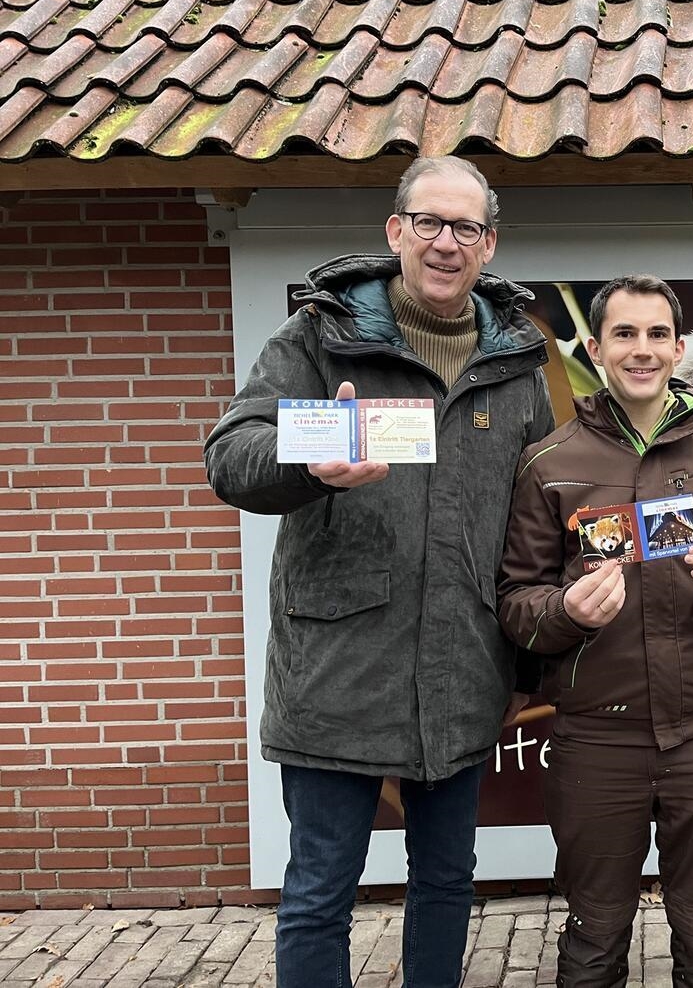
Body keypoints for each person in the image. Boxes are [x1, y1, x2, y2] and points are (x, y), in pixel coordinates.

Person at [204, 156, 554, 988]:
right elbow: (229, 455)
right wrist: (313, 453)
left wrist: (528, 664)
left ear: (489, 244)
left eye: (465, 228)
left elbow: (537, 529)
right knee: (321, 889)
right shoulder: (317, 338)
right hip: (337, 673)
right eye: (428, 222)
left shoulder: (517, 366)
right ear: (395, 231)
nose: (445, 243)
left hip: (463, 668)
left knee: (447, 882)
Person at [497, 275, 693, 988]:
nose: (642, 350)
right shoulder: (551, 463)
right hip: (598, 739)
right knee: (594, 938)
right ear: (596, 348)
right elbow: (514, 600)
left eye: (657, 334)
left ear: (679, 348)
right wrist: (566, 611)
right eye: (625, 334)